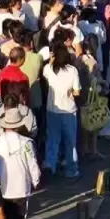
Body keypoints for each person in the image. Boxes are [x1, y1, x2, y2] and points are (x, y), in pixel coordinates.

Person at [0, 106, 41, 219]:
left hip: (1, 187)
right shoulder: (26, 143)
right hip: (20, 188)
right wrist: (36, 181)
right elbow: (32, 165)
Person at [41, 43, 82, 180]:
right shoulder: (72, 70)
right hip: (69, 110)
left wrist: (51, 60)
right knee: (70, 142)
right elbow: (77, 92)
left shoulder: (48, 69)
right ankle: (71, 170)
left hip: (52, 110)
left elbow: (47, 73)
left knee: (52, 140)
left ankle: (50, 167)